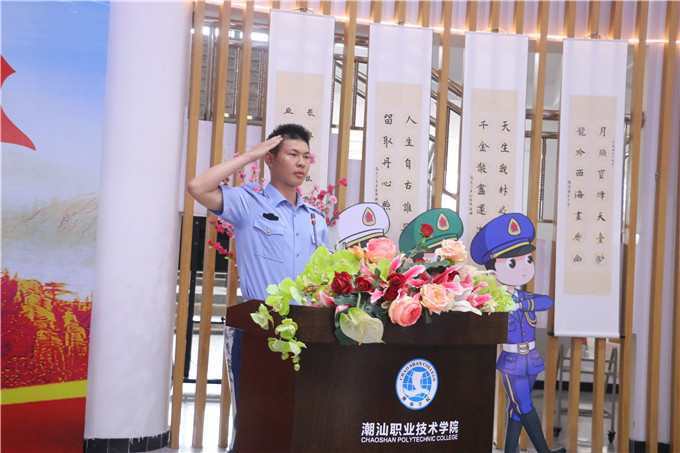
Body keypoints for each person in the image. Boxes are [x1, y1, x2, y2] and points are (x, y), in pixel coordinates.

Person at [187, 123, 328, 444]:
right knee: (255, 422)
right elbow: (197, 187)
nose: (301, 162)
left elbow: (326, 275)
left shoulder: (316, 218)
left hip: (308, 330)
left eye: (306, 156)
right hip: (259, 328)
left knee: (301, 420)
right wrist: (249, 156)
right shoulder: (249, 204)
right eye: (292, 154)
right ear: (270, 159)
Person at [470, 213, 565, 453]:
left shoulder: (523, 298)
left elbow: (546, 301)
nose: (524, 268)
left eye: (528, 260)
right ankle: (544, 451)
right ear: (493, 270)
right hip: (511, 362)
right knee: (524, 405)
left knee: (516, 409)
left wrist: (520, 304)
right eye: (512, 263)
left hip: (531, 360)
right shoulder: (493, 299)